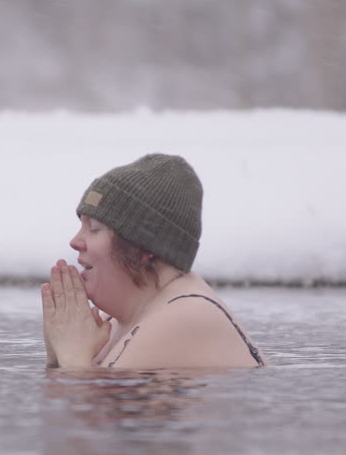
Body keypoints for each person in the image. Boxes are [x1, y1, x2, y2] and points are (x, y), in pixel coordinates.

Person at [41, 153, 267, 369]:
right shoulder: (117, 321)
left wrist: (73, 357)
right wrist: (58, 353)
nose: (75, 241)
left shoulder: (183, 318)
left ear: (144, 246)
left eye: (94, 229)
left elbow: (87, 405)